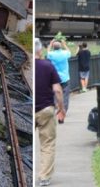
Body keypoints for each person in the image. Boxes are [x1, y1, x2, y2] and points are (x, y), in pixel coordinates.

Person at [35, 38, 66, 187]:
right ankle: (44, 178)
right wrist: (61, 108)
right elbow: (58, 90)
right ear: (39, 50)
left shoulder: (47, 61)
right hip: (46, 109)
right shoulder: (48, 66)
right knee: (47, 144)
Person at [47, 40, 72, 116]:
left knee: (54, 93)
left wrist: (50, 44)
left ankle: (56, 108)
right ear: (60, 47)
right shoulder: (65, 53)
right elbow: (69, 52)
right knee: (65, 95)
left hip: (55, 78)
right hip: (65, 77)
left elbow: (47, 52)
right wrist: (64, 44)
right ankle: (64, 110)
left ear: (53, 47)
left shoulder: (51, 54)